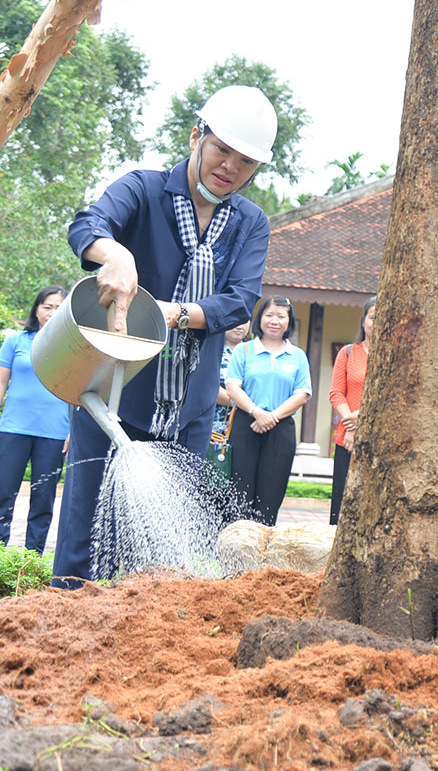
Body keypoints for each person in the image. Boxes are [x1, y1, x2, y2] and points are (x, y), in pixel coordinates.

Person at [56, 84, 276, 584]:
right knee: (84, 536)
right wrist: (116, 255)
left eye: (245, 162)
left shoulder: (250, 223)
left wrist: (169, 314)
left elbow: (240, 300)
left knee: (157, 552)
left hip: (190, 411)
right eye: (221, 149)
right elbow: (88, 224)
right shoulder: (145, 189)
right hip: (113, 392)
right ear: (197, 136)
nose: (230, 167)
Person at [224, 296, 312, 526]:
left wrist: (272, 416)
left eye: (281, 316)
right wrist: (256, 412)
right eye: (269, 315)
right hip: (246, 423)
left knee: (270, 496)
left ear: (289, 321)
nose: (275, 321)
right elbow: (233, 387)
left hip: (281, 427)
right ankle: (235, 553)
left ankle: (262, 555)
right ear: (259, 318)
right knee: (240, 493)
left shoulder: (298, 356)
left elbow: (302, 394)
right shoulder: (243, 351)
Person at [0, 286, 71, 551]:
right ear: (37, 309)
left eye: (58, 307)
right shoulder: (15, 342)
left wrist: (74, 431)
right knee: (3, 494)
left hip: (54, 434)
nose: (52, 312)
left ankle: (33, 559)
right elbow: (1, 384)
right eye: (47, 306)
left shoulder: (74, 347)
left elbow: (80, 391)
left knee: (43, 501)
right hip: (13, 429)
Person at [328, 296, 375, 525]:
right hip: (346, 440)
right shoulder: (348, 353)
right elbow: (336, 393)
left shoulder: (395, 359)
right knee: (342, 503)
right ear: (364, 320)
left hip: (377, 440)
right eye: (373, 317)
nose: (377, 322)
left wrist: (360, 419)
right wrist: (350, 426)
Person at [207, 319, 251, 477]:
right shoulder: (212, 351)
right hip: (214, 428)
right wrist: (244, 403)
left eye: (245, 320)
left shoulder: (253, 352)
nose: (240, 325)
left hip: (247, 426)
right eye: (235, 320)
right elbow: (207, 385)